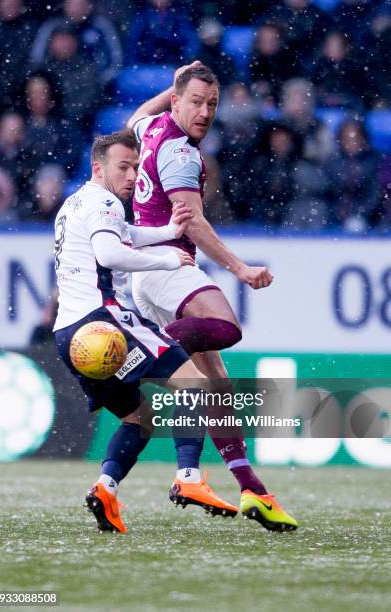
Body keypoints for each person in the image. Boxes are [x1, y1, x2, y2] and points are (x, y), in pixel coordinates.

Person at [126, 62, 297, 530]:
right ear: (179, 102)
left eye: (212, 104)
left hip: (147, 271)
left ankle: (250, 488)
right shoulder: (181, 152)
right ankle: (146, 349)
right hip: (168, 266)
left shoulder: (154, 126)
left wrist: (173, 89)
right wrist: (240, 269)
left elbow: (135, 116)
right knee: (225, 326)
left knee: (215, 384)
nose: (204, 112)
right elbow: (193, 221)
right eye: (195, 102)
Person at [53, 129, 241, 534]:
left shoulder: (75, 203)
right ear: (97, 168)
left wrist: (167, 233)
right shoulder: (104, 200)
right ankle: (189, 478)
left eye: (135, 166)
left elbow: (123, 235)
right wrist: (166, 263)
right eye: (123, 166)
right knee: (195, 384)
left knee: (141, 416)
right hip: (103, 322)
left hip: (69, 336)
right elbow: (109, 252)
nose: (131, 174)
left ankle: (105, 487)